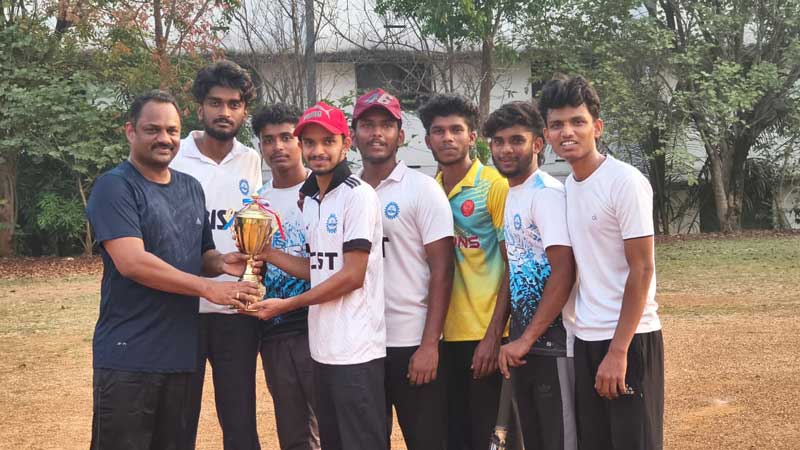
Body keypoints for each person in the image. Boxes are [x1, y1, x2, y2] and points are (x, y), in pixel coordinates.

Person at [86, 90, 261, 450]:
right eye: (153, 129)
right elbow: (132, 262)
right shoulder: (114, 187)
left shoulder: (190, 188)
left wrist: (222, 263)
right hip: (129, 355)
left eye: (171, 130)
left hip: (181, 355)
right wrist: (207, 288)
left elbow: (201, 253)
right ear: (130, 131)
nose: (164, 139)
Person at [246, 102, 387, 450]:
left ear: (346, 143)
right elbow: (319, 269)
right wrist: (268, 253)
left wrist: (286, 305)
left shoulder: (358, 195)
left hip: (356, 350)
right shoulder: (310, 200)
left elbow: (352, 276)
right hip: (322, 348)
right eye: (310, 142)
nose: (318, 150)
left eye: (328, 141)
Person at [538, 74, 664, 450]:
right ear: (546, 134)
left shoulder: (625, 181)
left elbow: (642, 269)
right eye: (557, 124)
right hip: (586, 338)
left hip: (630, 338)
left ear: (597, 127)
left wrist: (618, 352)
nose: (567, 132)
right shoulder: (568, 187)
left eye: (577, 121)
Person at [169, 60, 263, 450]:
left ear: (244, 111)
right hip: (182, 309)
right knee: (178, 421)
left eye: (234, 104)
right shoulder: (174, 155)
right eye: (216, 103)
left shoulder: (251, 159)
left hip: (236, 310)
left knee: (240, 421)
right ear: (200, 108)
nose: (225, 112)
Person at [352, 89, 454, 450]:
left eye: (386, 125)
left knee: (427, 440)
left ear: (401, 135)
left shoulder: (422, 189)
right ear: (353, 135)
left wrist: (429, 345)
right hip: (361, 345)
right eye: (367, 125)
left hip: (411, 342)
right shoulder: (346, 192)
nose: (377, 133)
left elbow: (443, 270)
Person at [418, 93, 510, 450]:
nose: (447, 138)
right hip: (442, 339)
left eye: (456, 130)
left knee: (493, 440)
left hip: (484, 337)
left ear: (472, 137)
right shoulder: (429, 190)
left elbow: (513, 266)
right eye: (438, 131)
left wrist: (493, 336)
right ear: (428, 140)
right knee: (454, 437)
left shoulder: (494, 185)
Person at [486, 101, 578, 450]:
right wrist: (511, 335)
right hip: (525, 345)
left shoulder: (546, 194)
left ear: (538, 144)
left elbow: (564, 272)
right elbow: (516, 267)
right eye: (498, 141)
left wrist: (526, 338)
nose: (506, 149)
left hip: (555, 345)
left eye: (516, 140)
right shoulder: (513, 193)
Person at [251, 103, 320, 450]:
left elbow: (328, 269)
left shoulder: (323, 192)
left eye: (286, 137)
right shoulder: (257, 202)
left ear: (300, 142)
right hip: (274, 329)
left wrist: (269, 254)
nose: (277, 146)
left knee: (328, 425)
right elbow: (256, 266)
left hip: (318, 325)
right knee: (292, 430)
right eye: (268, 140)